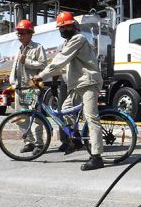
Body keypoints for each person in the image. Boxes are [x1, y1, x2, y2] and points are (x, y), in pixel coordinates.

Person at [33, 11, 104, 171]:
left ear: (73, 26)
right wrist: (49, 80)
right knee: (65, 110)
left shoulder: (78, 39)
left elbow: (59, 60)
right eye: (60, 28)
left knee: (91, 118)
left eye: (64, 27)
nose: (61, 30)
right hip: (77, 85)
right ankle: (77, 140)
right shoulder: (68, 43)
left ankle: (97, 157)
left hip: (88, 82)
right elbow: (61, 66)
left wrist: (41, 75)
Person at [9, 19, 47, 157]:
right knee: (19, 117)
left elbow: (43, 65)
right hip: (20, 88)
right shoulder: (19, 50)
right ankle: (28, 142)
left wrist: (28, 61)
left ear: (30, 34)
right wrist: (13, 82)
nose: (20, 35)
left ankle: (39, 144)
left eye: (22, 33)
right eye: (18, 33)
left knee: (35, 117)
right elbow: (15, 68)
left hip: (32, 87)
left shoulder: (38, 48)